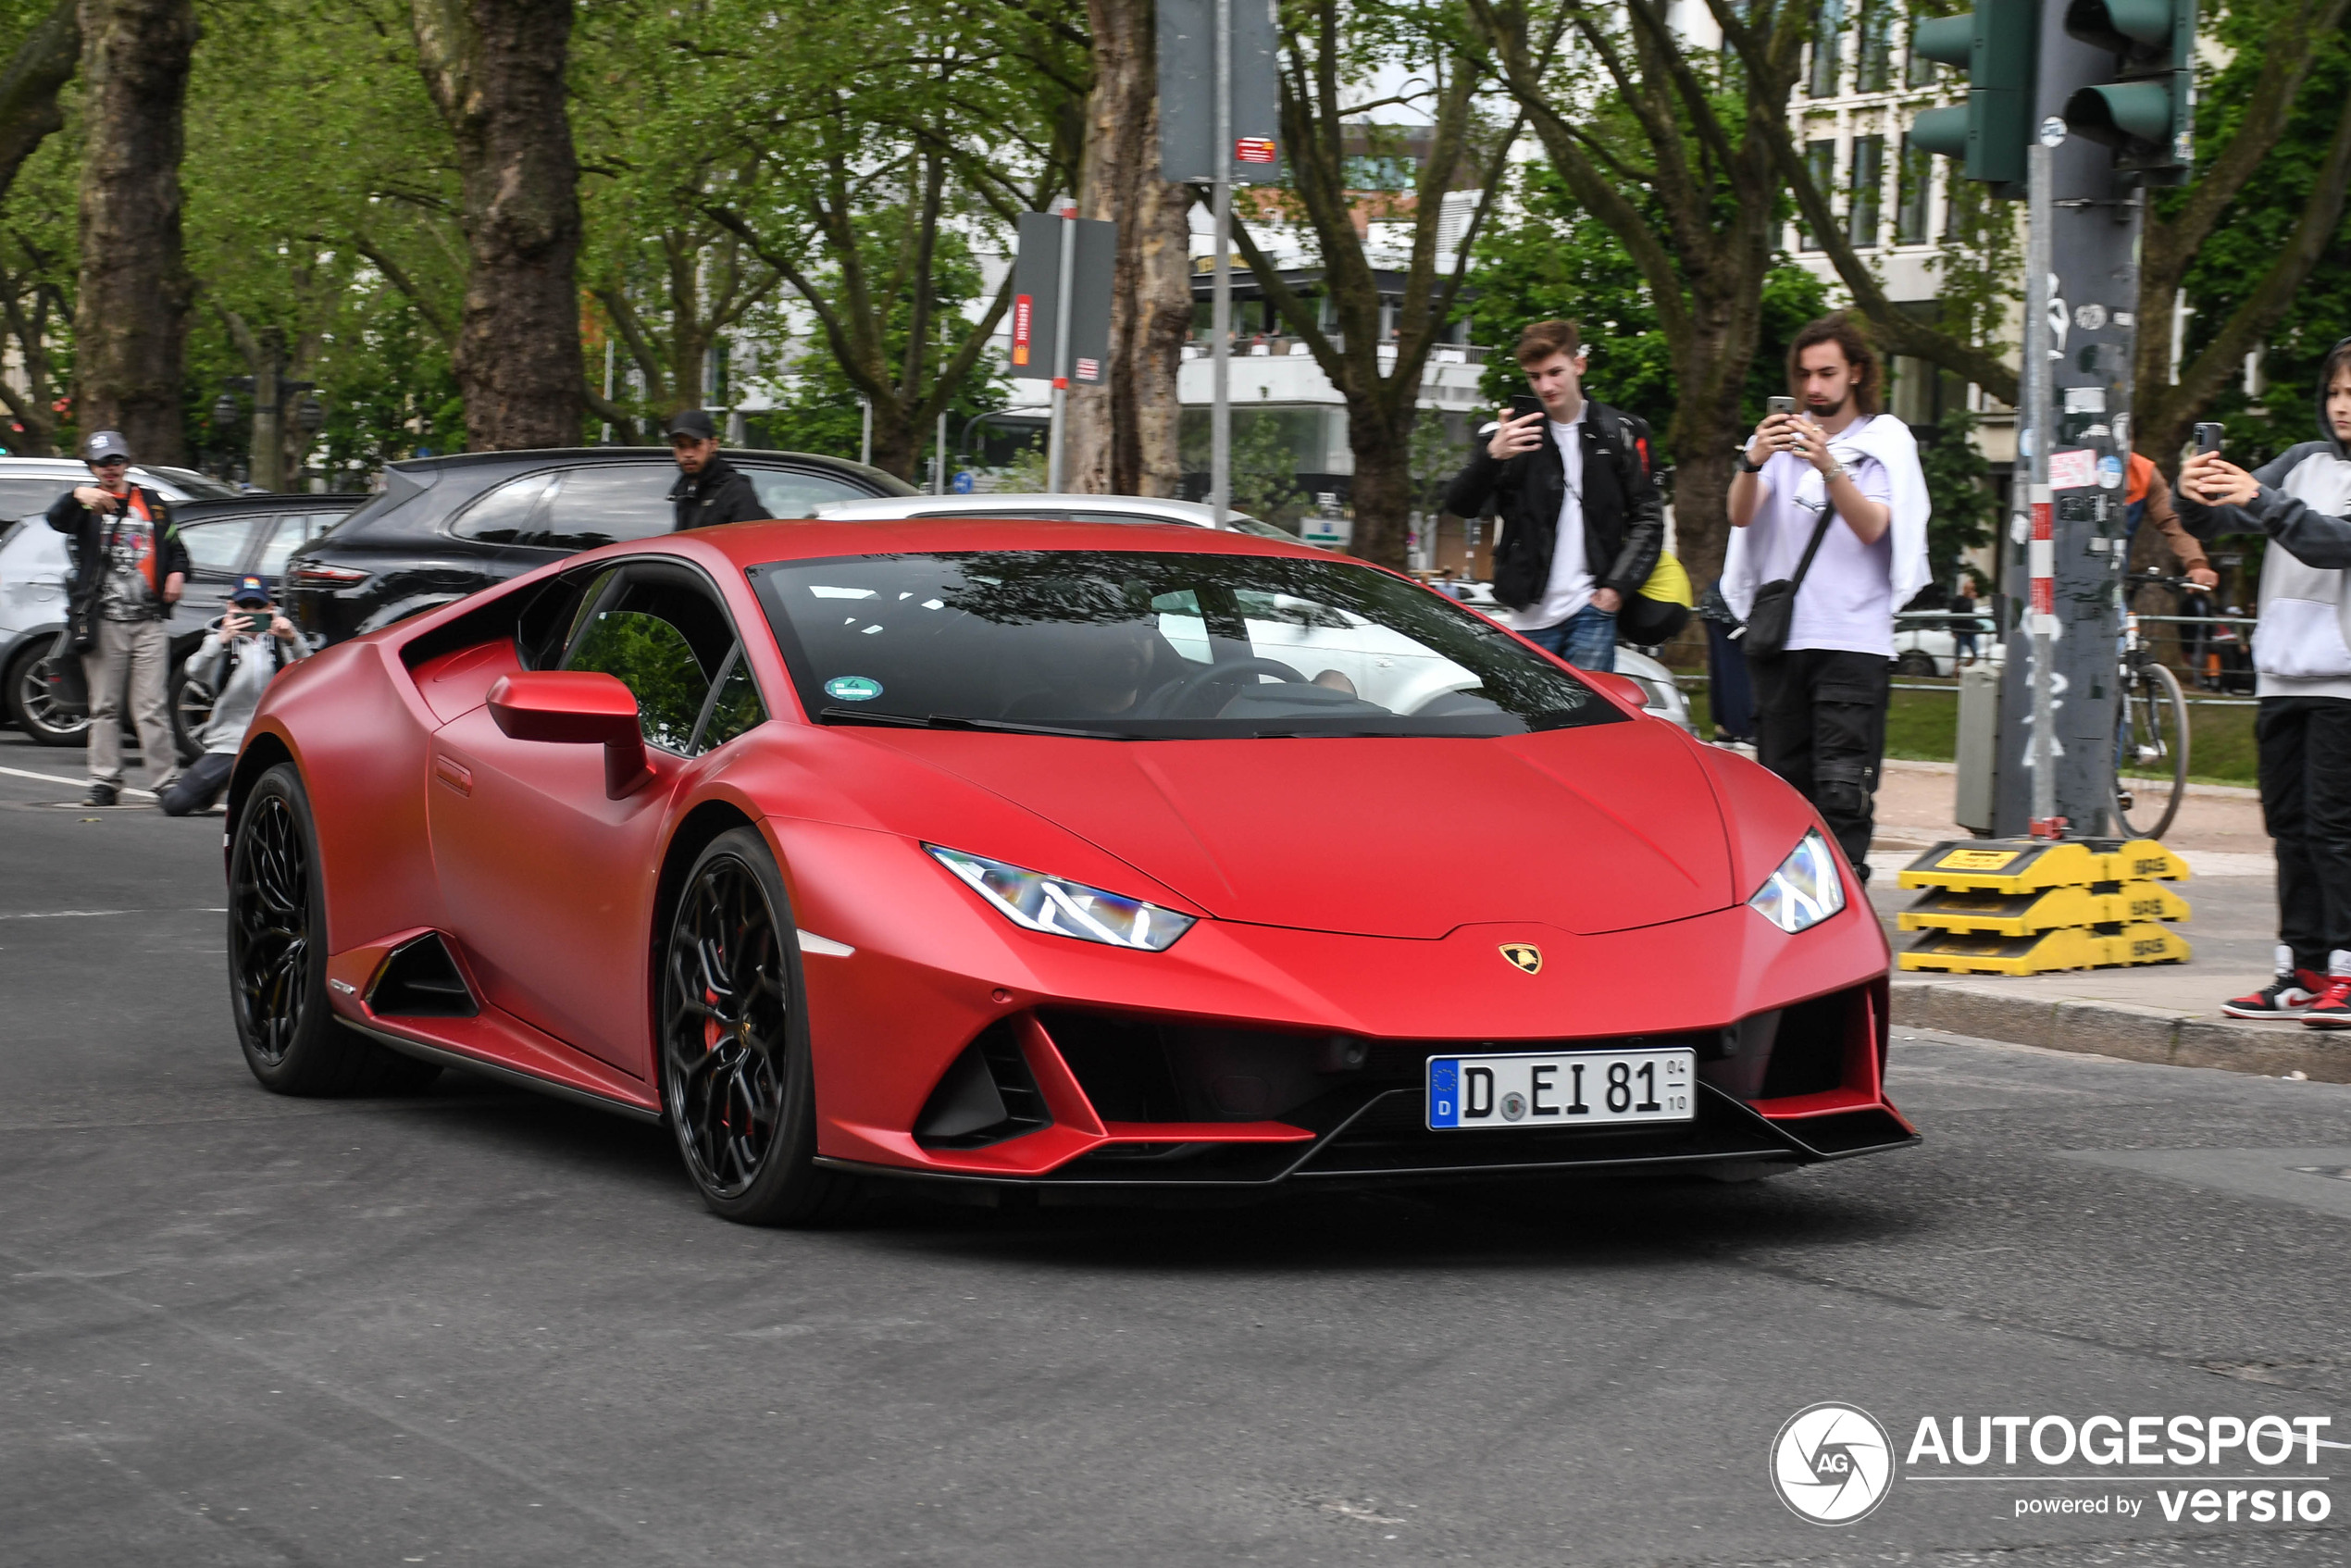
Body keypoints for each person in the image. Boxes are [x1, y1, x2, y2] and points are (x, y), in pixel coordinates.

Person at [2178, 336, 2351, 1028]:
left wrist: (2261, 499)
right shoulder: (2306, 463)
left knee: (2337, 831)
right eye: (2336, 393)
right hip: (2283, 675)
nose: (2343, 407)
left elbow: (2330, 543)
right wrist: (2194, 497)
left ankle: (2347, 969)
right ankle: (2302, 968)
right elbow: (2231, 515)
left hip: (2345, 683)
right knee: (2290, 828)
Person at [1722, 313, 1932, 879]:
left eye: (1828, 373)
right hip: (1783, 641)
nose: (1814, 387)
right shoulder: (1778, 441)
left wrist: (1829, 465)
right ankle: (1793, 912)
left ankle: (1846, 911)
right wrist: (1753, 460)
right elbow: (1740, 516)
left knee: (1843, 790)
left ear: (1856, 373)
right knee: (1783, 791)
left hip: (1852, 642)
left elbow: (1873, 528)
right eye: (1805, 374)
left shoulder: (1884, 442)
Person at [1442, 319, 1663, 673]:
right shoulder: (1509, 434)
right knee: (1533, 726)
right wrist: (1493, 456)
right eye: (1534, 376)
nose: (1545, 385)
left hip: (1592, 610)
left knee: (1587, 725)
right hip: (1528, 613)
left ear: (1579, 365)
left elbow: (1648, 517)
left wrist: (1614, 591)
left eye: (1554, 372)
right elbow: (1460, 505)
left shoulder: (1620, 431)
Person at [46, 429, 188, 806]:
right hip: (105, 620)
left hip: (149, 620)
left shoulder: (153, 503)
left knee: (151, 706)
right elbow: (55, 520)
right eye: (100, 463)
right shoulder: (85, 505)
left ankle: (165, 781)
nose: (109, 469)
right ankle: (104, 782)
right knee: (105, 705)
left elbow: (176, 548)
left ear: (127, 463)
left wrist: (177, 573)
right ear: (91, 468)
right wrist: (77, 495)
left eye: (116, 461)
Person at [158, 575, 309, 816]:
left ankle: (234, 782)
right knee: (176, 804)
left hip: (273, 741)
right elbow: (193, 670)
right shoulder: (219, 641)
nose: (250, 613)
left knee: (285, 810)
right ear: (231, 607)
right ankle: (215, 784)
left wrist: (293, 639)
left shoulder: (281, 642)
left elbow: (310, 672)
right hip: (229, 742)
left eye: (258, 607)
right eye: (243, 606)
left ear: (270, 608)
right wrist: (220, 640)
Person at [666, 409, 766, 531]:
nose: (688, 454)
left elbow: (751, 542)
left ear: (713, 444)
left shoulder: (735, 491)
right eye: (681, 446)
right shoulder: (684, 493)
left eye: (696, 444)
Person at [1950, 583, 1980, 666]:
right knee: (1958, 654)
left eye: (1972, 589)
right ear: (1965, 589)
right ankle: (1956, 671)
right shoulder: (1958, 600)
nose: (1971, 591)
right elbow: (1953, 615)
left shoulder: (1970, 601)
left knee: (1975, 653)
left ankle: (1966, 667)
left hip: (1970, 630)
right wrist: (1953, 630)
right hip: (1961, 630)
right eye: (1970, 589)